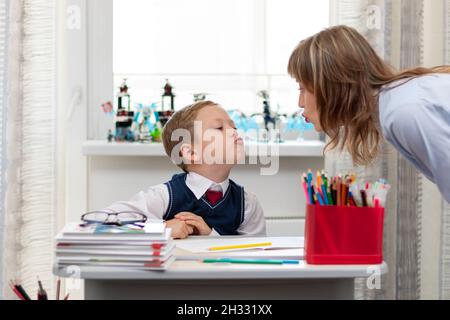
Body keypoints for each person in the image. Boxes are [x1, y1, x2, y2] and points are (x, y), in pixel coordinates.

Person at [287, 25, 450, 203]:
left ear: (331, 86)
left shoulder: (403, 112)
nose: (300, 102)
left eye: (302, 88)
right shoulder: (396, 104)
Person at [105, 101, 266, 239]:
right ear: (191, 153)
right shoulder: (163, 197)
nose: (234, 132)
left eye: (234, 126)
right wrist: (162, 229)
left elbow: (255, 255)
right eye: (219, 128)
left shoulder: (248, 204)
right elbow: (102, 223)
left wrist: (210, 236)